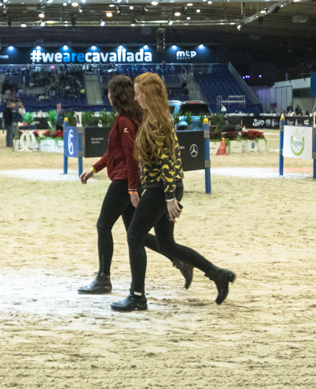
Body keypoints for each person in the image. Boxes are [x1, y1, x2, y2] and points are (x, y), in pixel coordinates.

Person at [114, 72, 234, 312]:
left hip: (162, 188)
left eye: (138, 94)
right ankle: (217, 274)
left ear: (147, 94)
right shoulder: (156, 118)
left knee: (134, 236)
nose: (135, 98)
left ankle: (137, 295)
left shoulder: (155, 122)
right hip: (164, 186)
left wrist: (169, 198)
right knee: (167, 244)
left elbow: (167, 161)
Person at [77, 74, 190, 297]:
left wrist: (131, 188)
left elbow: (131, 156)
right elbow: (114, 152)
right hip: (130, 180)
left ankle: (103, 278)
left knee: (103, 226)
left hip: (124, 181)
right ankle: (177, 258)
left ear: (114, 95)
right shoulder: (135, 117)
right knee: (135, 233)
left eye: (109, 92)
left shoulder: (124, 121)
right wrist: (94, 169)